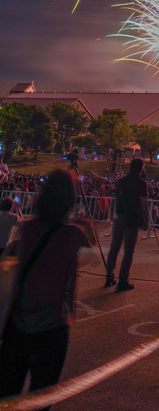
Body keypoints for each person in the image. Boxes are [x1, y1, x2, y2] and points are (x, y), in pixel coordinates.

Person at [0, 170, 95, 409]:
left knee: (7, 394)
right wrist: (87, 226)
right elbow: (91, 257)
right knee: (42, 398)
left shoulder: (25, 229)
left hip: (18, 324)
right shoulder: (74, 234)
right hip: (53, 326)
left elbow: (9, 262)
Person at [105, 157, 148, 291]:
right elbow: (143, 203)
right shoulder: (141, 183)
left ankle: (109, 275)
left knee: (114, 247)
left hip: (119, 216)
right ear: (141, 168)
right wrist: (146, 219)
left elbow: (116, 198)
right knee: (128, 251)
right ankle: (123, 280)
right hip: (132, 218)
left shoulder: (121, 181)